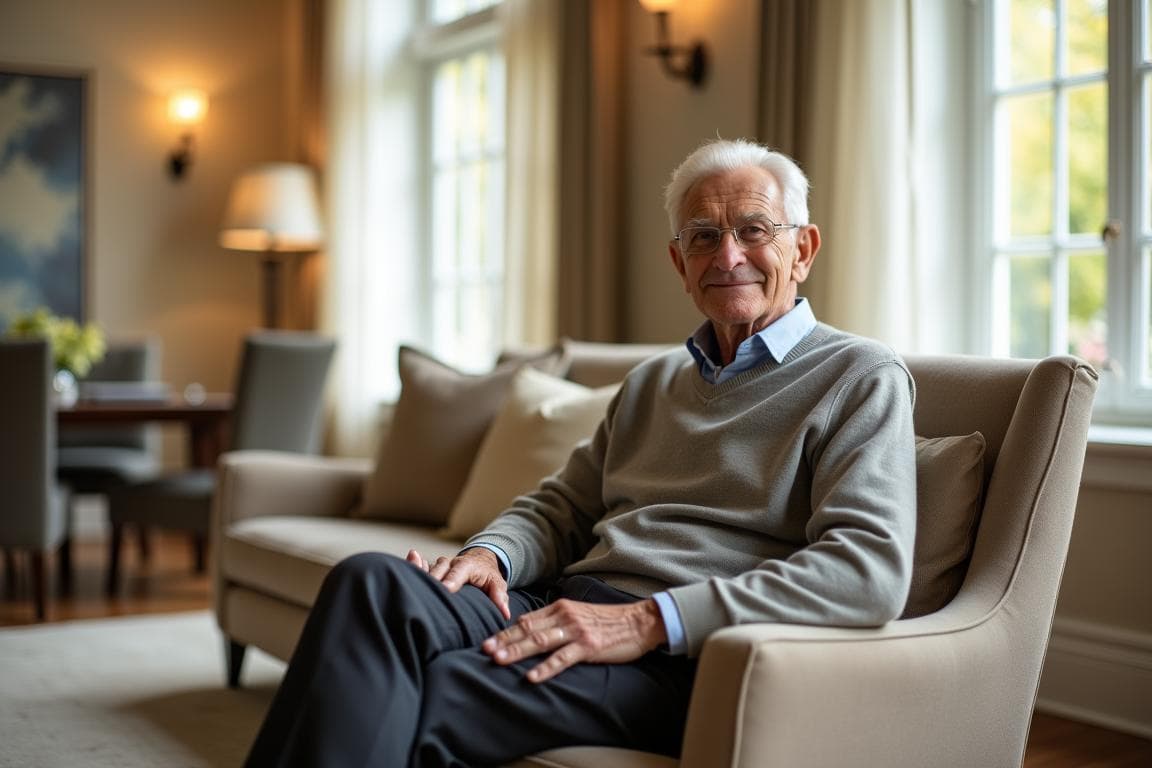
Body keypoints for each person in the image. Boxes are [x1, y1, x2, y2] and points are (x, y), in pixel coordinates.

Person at [244, 138, 917, 767]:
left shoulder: (860, 377)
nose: (728, 256)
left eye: (754, 229)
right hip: (564, 601)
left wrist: (649, 621)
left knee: (445, 687)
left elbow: (867, 570)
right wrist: (490, 554)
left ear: (804, 249)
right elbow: (561, 507)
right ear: (679, 263)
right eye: (704, 237)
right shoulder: (654, 382)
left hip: (682, 655)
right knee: (371, 581)